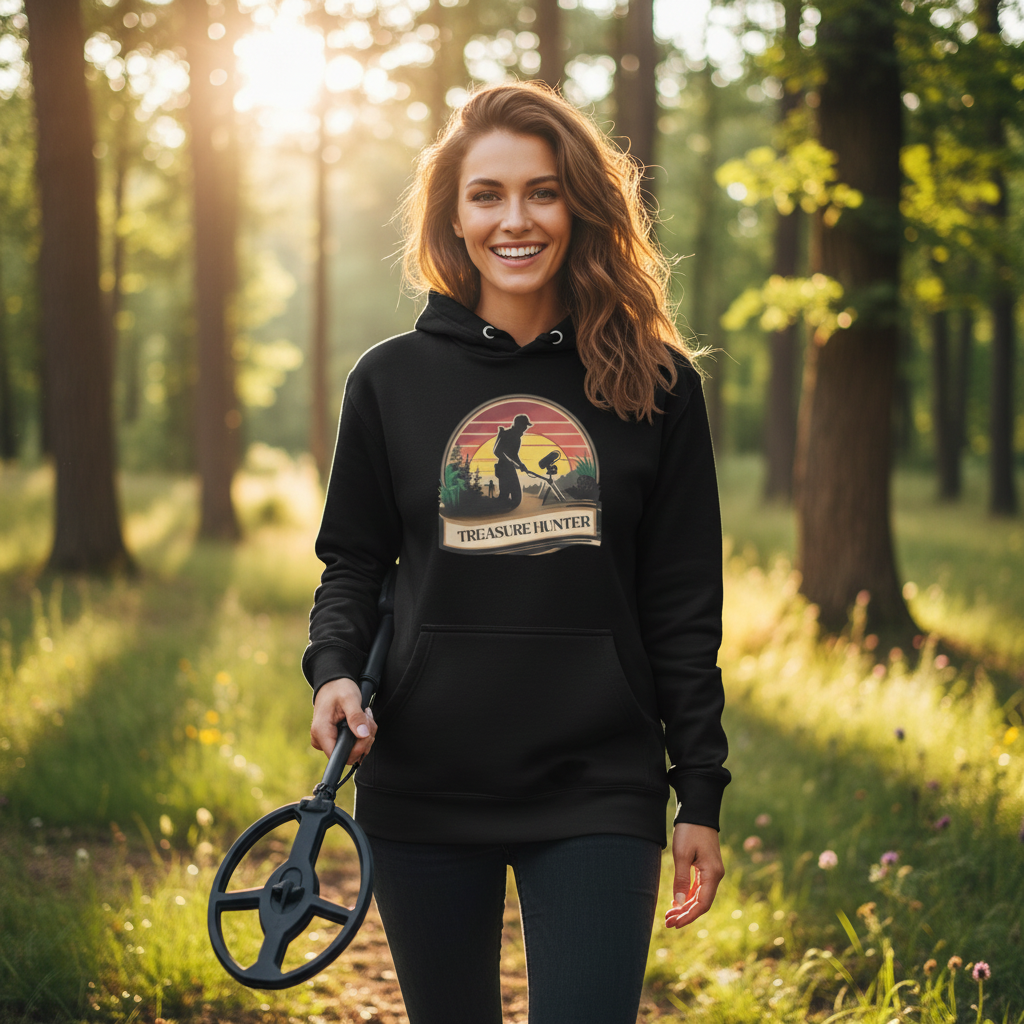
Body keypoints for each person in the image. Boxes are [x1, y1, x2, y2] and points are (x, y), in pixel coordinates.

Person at [304, 82, 730, 1024]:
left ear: (579, 204)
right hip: (423, 781)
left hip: (598, 787)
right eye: (487, 194)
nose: (515, 219)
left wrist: (698, 789)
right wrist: (334, 671)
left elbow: (683, 608)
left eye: (542, 191)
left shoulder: (658, 385)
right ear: (454, 218)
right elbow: (354, 565)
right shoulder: (390, 381)